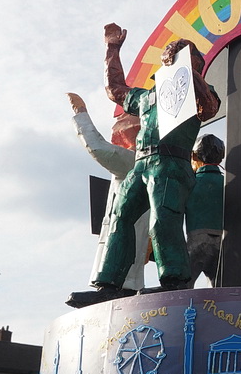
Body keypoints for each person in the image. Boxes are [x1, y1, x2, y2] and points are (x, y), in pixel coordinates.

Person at [67, 23, 220, 307]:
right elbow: (115, 90)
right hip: (141, 163)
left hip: (171, 164)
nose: (173, 58)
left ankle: (174, 280)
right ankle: (111, 284)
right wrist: (112, 49)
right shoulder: (147, 96)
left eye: (183, 56)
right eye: (172, 55)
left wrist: (189, 72)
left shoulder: (199, 91)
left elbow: (209, 107)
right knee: (121, 216)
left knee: (163, 220)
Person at [65, 93, 150, 307]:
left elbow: (98, 148)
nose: (117, 125)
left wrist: (81, 114)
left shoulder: (131, 159)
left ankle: (112, 288)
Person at [184, 133, 225, 288]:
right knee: (221, 290)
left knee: (183, 286)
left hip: (195, 241)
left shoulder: (190, 183)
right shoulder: (227, 184)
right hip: (222, 243)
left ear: (193, 156)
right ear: (220, 158)